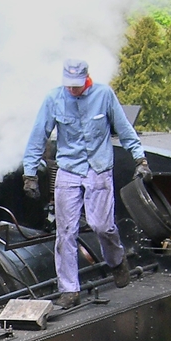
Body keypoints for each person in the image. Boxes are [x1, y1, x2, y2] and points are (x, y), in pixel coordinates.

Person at [22, 58, 150, 309]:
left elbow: (124, 129)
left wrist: (140, 159)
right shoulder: (53, 99)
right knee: (65, 232)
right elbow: (38, 135)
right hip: (68, 170)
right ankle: (69, 289)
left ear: (87, 79)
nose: (73, 90)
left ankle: (116, 260)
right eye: (68, 85)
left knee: (102, 225)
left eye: (77, 85)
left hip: (99, 169)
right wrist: (30, 173)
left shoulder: (104, 95)